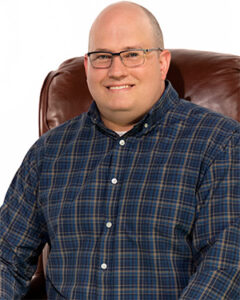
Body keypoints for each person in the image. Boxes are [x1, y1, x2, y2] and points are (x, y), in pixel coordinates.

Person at [1, 1, 240, 299]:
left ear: (162, 62)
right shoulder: (47, 154)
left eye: (132, 55)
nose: (116, 70)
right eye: (103, 57)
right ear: (87, 68)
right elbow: (6, 260)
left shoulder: (219, 143)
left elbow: (226, 267)